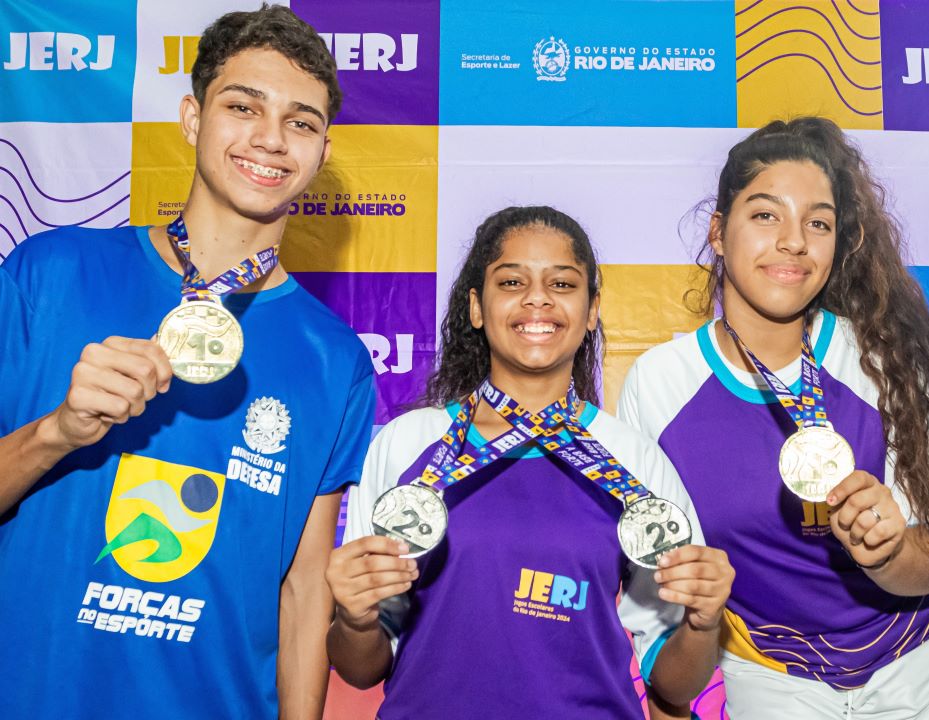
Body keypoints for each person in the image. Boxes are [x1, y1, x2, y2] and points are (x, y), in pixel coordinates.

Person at [0, 6, 373, 719]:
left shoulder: (337, 360)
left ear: (322, 153)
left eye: (300, 122)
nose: (270, 138)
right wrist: (58, 432)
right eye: (243, 107)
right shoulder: (49, 273)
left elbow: (302, 595)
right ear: (193, 118)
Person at [619, 117, 929, 718]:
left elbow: (928, 567)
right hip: (773, 678)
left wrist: (889, 551)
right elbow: (665, 624)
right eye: (766, 215)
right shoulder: (660, 385)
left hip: (919, 671)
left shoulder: (887, 362)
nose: (794, 241)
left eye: (818, 222)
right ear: (718, 230)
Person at [327, 205, 734, 719]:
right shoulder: (409, 445)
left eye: (562, 284)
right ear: (477, 307)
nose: (537, 298)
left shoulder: (633, 460)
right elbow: (361, 667)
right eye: (512, 281)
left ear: (591, 312)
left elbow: (674, 685)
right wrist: (356, 619)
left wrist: (703, 622)